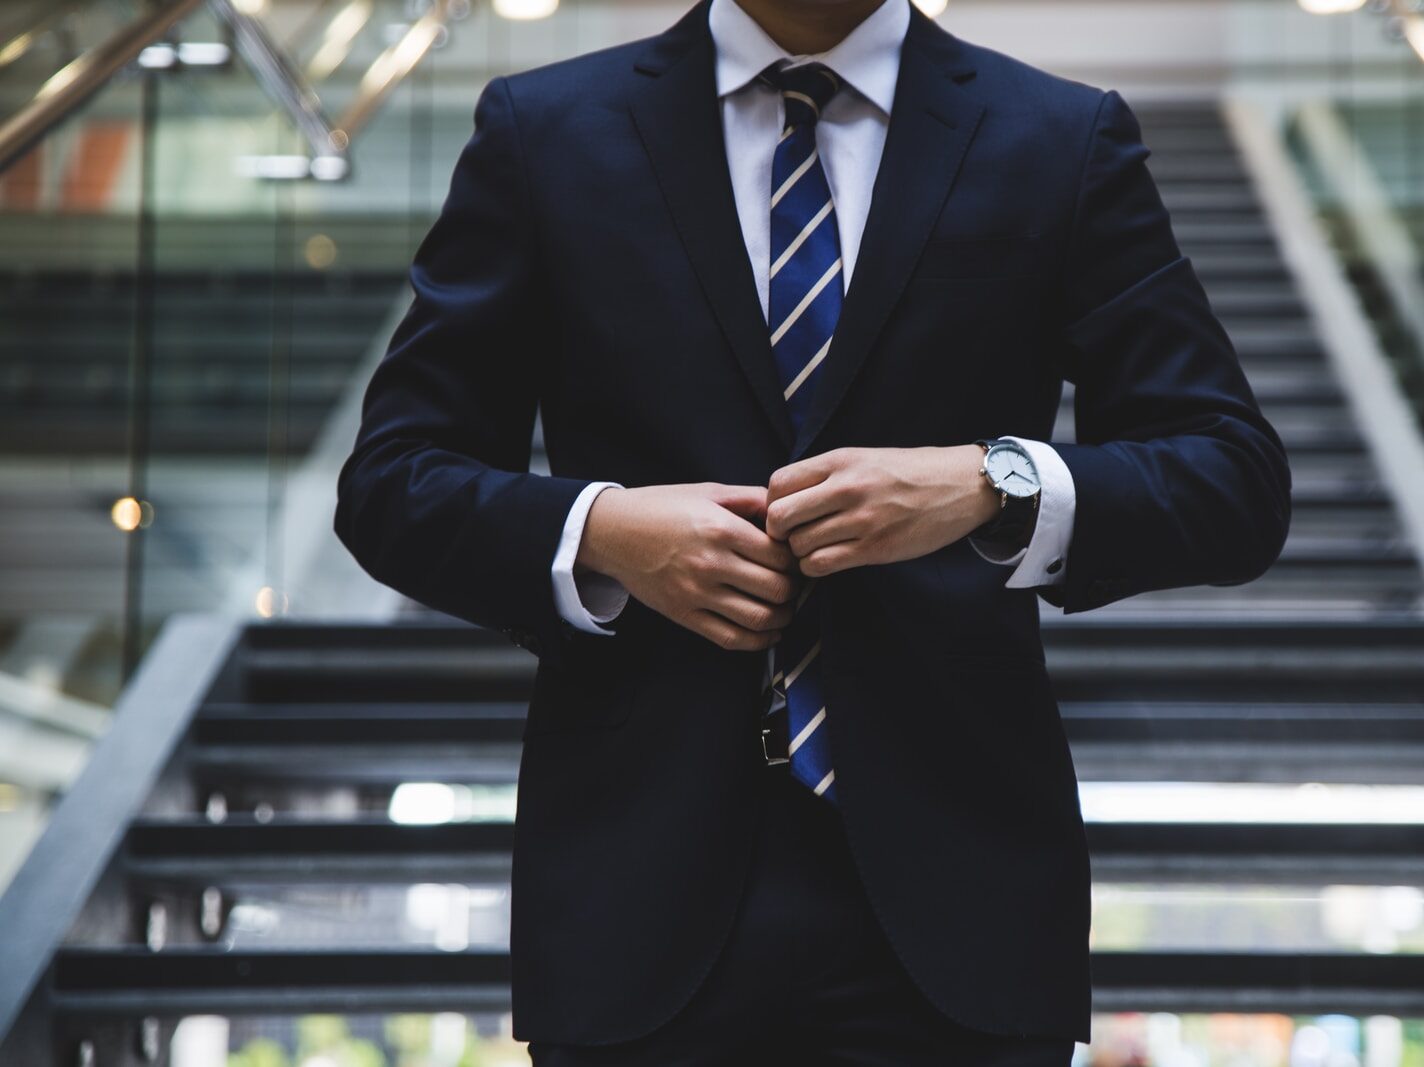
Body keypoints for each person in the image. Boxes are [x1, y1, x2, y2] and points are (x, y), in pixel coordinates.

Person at [333, 0, 1292, 1059]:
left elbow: (1229, 477)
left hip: (959, 902)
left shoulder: (1058, 135)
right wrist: (600, 528)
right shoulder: (546, 129)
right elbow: (391, 481)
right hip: (634, 892)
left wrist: (992, 480)